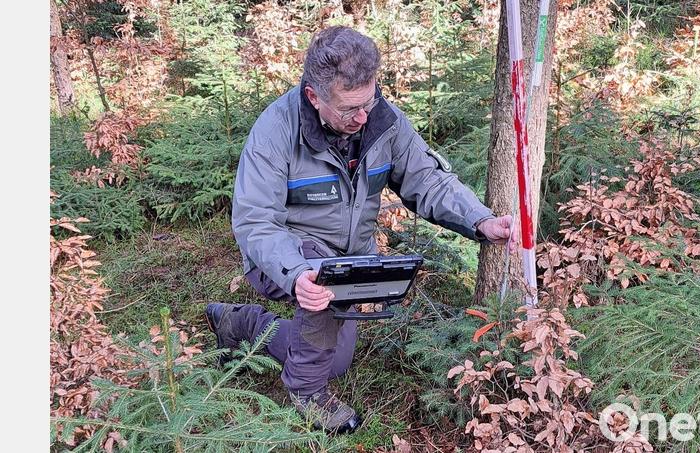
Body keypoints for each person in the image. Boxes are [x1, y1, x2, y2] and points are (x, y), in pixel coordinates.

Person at [205, 25, 514, 434]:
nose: (364, 117)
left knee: (336, 361)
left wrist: (480, 219)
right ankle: (305, 390)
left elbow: (428, 180)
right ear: (314, 97)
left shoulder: (383, 121)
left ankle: (243, 324)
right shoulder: (275, 131)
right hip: (283, 260)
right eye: (350, 109)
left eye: (369, 101)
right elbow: (255, 222)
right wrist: (297, 272)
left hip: (348, 263)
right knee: (319, 288)